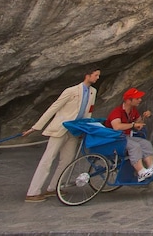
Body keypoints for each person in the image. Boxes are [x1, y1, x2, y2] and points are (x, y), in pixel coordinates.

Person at [22, 67, 100, 202]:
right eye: (96, 75)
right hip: (60, 128)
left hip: (74, 130)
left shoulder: (93, 92)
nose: (97, 78)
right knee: (48, 159)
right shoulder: (71, 91)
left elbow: (88, 112)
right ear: (87, 75)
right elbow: (54, 108)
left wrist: (84, 129)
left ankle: (53, 187)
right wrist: (36, 127)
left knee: (67, 160)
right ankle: (33, 191)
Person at [105, 87, 153, 182]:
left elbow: (137, 122)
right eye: (137, 98)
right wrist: (133, 125)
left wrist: (143, 117)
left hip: (125, 138)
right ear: (128, 100)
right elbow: (116, 126)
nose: (140, 100)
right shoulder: (117, 112)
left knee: (146, 143)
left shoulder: (133, 110)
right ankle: (141, 172)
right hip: (114, 140)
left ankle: (151, 168)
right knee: (134, 146)